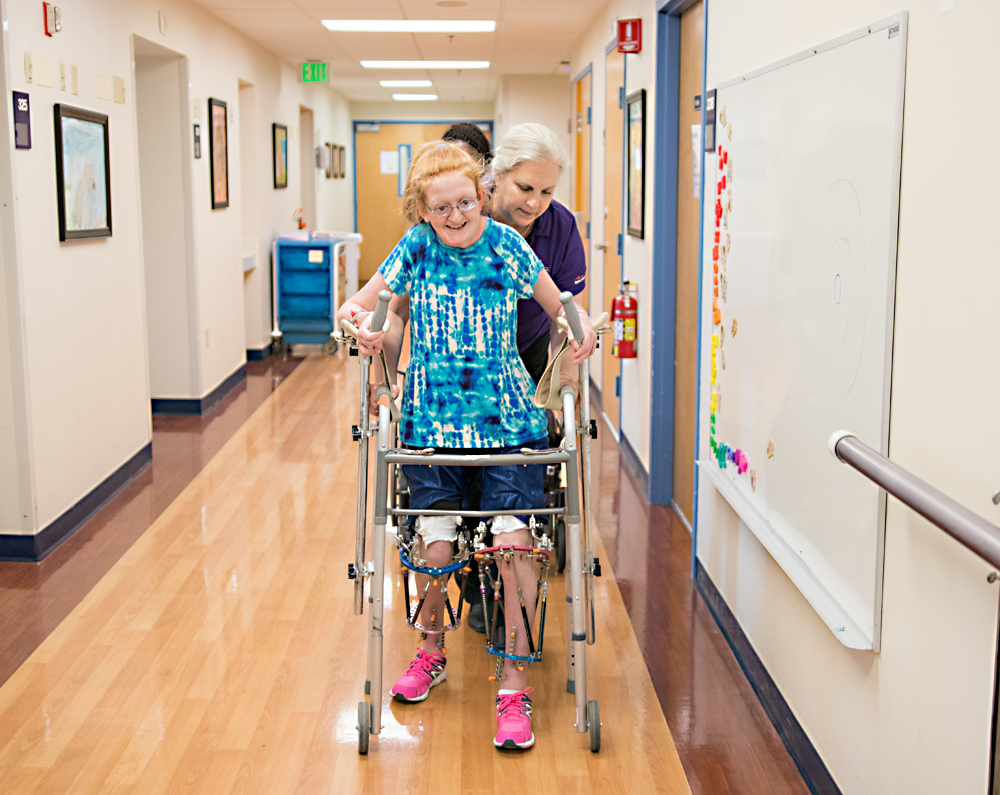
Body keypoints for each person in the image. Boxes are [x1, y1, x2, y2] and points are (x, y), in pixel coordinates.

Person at [338, 141, 595, 750]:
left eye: (464, 201)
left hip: (506, 423)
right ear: (423, 210)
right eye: (440, 207)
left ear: (481, 194)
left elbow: (561, 307)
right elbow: (361, 304)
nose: (455, 216)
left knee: (513, 546)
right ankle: (432, 653)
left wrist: (580, 333)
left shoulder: (507, 245)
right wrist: (360, 326)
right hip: (430, 424)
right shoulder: (415, 250)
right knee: (434, 545)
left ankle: (513, 684)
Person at [370, 123, 588, 632]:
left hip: (519, 365)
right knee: (447, 512)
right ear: (493, 183)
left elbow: (565, 313)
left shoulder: (527, 239)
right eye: (524, 189)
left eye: (546, 192)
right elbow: (388, 307)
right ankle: (459, 610)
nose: (535, 202)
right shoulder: (436, 230)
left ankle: (508, 624)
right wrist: (385, 377)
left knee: (508, 514)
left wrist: (562, 381)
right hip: (440, 394)